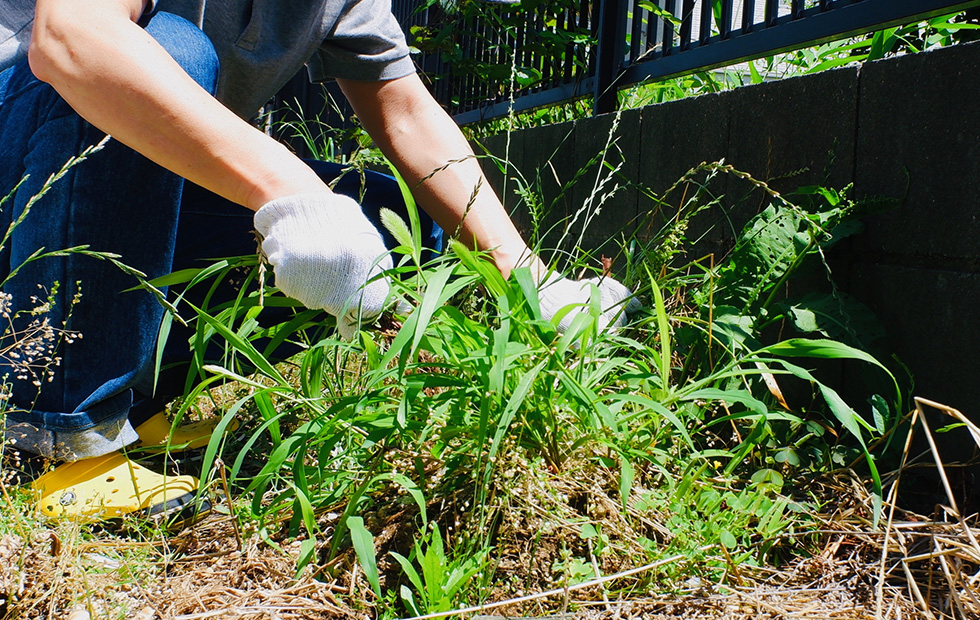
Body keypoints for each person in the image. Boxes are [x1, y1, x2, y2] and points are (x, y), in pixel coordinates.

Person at [0, 0, 637, 524]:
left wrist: (528, 280)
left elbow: (408, 114)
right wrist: (287, 191)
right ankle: (52, 434)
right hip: (22, 165)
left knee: (390, 217)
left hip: (100, 192)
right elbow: (73, 39)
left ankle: (135, 405)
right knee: (165, 46)